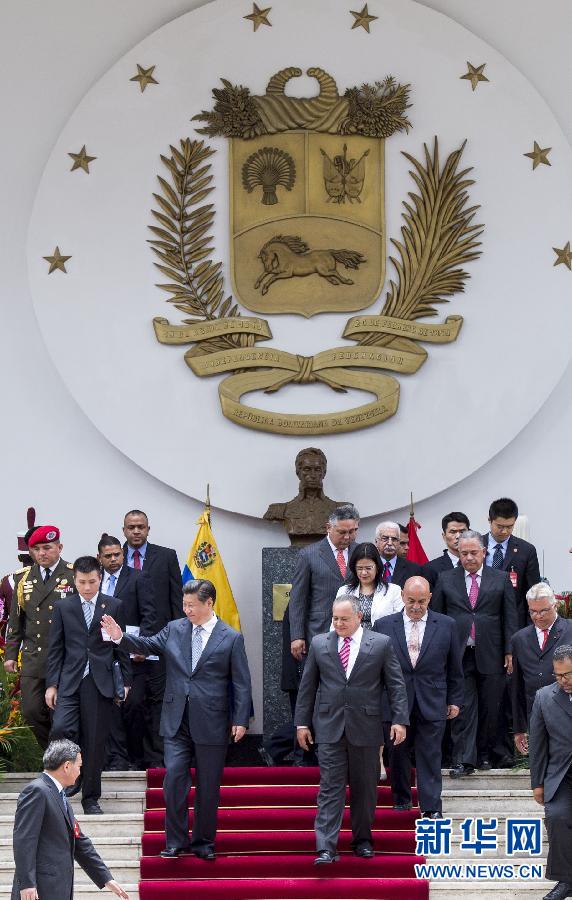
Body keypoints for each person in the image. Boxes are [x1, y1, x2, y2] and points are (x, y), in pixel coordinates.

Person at [101, 578, 252, 860]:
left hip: (212, 721)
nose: (187, 610)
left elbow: (241, 682)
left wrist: (241, 719)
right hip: (176, 719)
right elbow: (148, 644)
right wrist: (120, 637)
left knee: (208, 786)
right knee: (173, 780)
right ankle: (175, 840)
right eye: (184, 604)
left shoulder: (230, 637)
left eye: (192, 605)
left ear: (209, 603)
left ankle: (203, 842)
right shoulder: (174, 628)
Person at [295, 595, 409, 864]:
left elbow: (395, 685)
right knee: (329, 788)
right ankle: (326, 846)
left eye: (344, 619)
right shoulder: (320, 643)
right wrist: (302, 723)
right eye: (335, 618)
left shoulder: (380, 643)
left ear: (359, 617)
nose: (338, 624)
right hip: (329, 727)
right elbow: (307, 687)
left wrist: (399, 720)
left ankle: (363, 840)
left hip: (366, 727)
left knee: (365, 788)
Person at [45, 556, 132, 814]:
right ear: (75, 581)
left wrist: (126, 681)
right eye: (82, 582)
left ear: (100, 579)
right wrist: (52, 684)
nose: (87, 587)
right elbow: (55, 649)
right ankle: (70, 778)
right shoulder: (63, 607)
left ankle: (91, 798)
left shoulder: (113, 605)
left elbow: (121, 645)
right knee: (61, 728)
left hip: (99, 681)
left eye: (92, 582)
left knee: (95, 741)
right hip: (69, 680)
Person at [374, 576, 464, 818]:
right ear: (402, 596)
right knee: (397, 753)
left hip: (432, 699)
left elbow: (455, 667)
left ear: (430, 598)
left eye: (421, 601)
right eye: (411, 600)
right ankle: (402, 800)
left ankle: (432, 807)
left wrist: (454, 700)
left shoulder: (446, 625)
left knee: (431, 754)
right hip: (394, 702)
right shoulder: (383, 625)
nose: (416, 606)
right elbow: (376, 670)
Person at [430, 529, 518, 776]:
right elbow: (437, 618)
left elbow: (510, 617)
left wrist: (509, 650)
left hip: (492, 652)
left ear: (484, 552)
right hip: (458, 654)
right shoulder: (446, 579)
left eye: (473, 553)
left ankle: (486, 755)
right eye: (463, 553)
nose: (468, 557)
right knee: (463, 706)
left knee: (491, 706)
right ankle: (464, 759)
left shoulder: (500, 578)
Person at [11, 738, 129, 900]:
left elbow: (79, 841)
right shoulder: (37, 791)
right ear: (67, 766)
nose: (80, 772)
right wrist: (27, 884)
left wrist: (106, 879)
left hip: (58, 888)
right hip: (39, 890)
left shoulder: (60, 795)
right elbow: (24, 840)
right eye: (79, 766)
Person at [4, 525, 75, 749]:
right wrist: (10, 654)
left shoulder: (73, 575)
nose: (42, 553)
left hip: (64, 657)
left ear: (59, 547)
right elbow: (16, 621)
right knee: (31, 711)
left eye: (47, 547)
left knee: (59, 714)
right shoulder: (23, 578)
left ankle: (62, 759)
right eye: (36, 549)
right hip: (34, 657)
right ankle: (54, 752)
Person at [122, 508, 183, 766]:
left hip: (161, 643)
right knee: (132, 702)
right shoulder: (114, 557)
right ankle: (134, 757)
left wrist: (178, 639)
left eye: (141, 527)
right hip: (126, 644)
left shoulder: (166, 556)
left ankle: (158, 759)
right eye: (131, 527)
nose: (136, 531)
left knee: (159, 701)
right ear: (124, 530)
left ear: (148, 529)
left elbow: (176, 600)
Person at [97, 533, 156, 771]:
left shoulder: (139, 577)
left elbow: (150, 615)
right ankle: (116, 758)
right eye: (108, 556)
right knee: (108, 707)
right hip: (103, 654)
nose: (113, 559)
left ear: (123, 554)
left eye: (117, 554)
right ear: (99, 557)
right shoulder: (94, 581)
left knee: (133, 704)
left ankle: (136, 757)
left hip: (132, 654)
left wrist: (143, 645)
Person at [289, 504, 360, 662]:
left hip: (355, 632)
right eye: (342, 532)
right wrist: (297, 636)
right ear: (329, 528)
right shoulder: (308, 555)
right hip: (319, 631)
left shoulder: (361, 552)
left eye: (352, 531)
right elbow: (297, 599)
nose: (347, 537)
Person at [529, 645, 572, 900]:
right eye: (558, 675)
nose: (563, 680)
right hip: (561, 775)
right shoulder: (544, 697)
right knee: (556, 817)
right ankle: (566, 881)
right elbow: (538, 744)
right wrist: (538, 783)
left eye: (568, 674)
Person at [511, 583, 572, 756]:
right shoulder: (519, 639)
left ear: (555, 605)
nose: (538, 616)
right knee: (539, 765)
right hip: (536, 716)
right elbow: (517, 687)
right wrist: (518, 728)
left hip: (567, 712)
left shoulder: (570, 630)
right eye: (533, 612)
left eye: (544, 611)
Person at [263, 447, 349, 546]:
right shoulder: (280, 510)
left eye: (317, 469)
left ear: (324, 473)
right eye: (307, 469)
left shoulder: (341, 509)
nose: (313, 475)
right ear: (298, 472)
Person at [483, 497, 540, 629]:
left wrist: (530, 628)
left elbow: (533, 592)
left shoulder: (526, 550)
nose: (504, 531)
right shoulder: (476, 546)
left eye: (509, 527)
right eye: (500, 526)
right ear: (489, 520)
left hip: (515, 621)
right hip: (483, 619)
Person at [423, 512, 471, 589]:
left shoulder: (480, 561)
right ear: (444, 536)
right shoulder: (430, 569)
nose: (458, 536)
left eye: (462, 531)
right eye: (453, 532)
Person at [374, 521, 421, 588]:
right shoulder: (366, 567)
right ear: (376, 541)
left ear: (398, 542)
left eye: (394, 539)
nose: (390, 543)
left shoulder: (414, 570)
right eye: (385, 538)